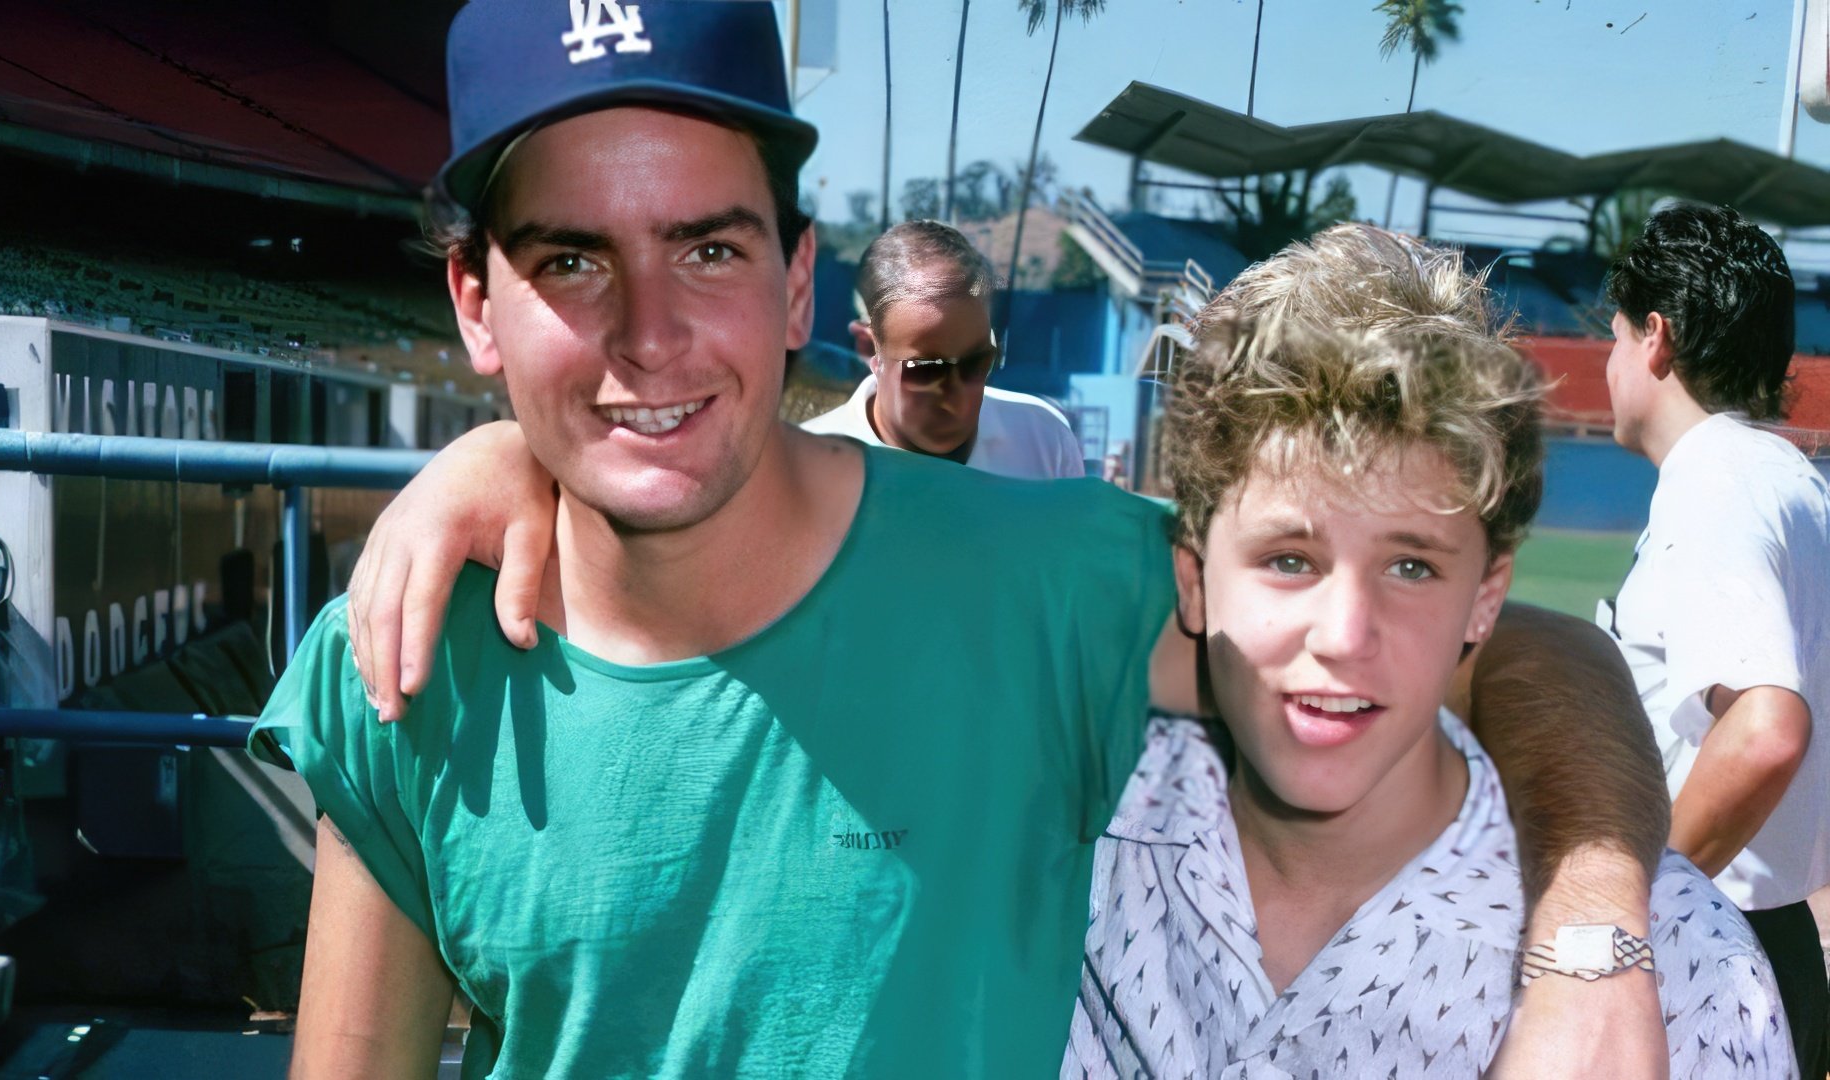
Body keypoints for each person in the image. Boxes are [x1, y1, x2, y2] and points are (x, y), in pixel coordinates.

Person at [256, 2, 1676, 1075]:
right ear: (474, 301)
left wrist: (1592, 944)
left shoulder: (1040, 582)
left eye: (708, 249)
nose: (647, 332)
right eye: (571, 260)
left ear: (801, 279)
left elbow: (1514, 655)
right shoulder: (404, 648)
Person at [1064, 225, 1792, 1078]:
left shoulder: (1681, 968)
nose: (1344, 636)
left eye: (1410, 565)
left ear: (1486, 595)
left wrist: (1594, 924)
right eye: (1289, 560)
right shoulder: (1061, 844)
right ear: (1191, 577)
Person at [1597, 202, 1830, 1077]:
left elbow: (1766, 728)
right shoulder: (1792, 482)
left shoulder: (1713, 479)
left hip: (1705, 961)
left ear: (1654, 337)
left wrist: (1627, 908)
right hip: (1775, 949)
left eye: (1615, 336)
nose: (1614, 359)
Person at [803, 220, 1086, 479]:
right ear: (869, 349)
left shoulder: (1044, 441)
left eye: (977, 364)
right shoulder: (806, 471)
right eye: (928, 371)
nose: (957, 397)